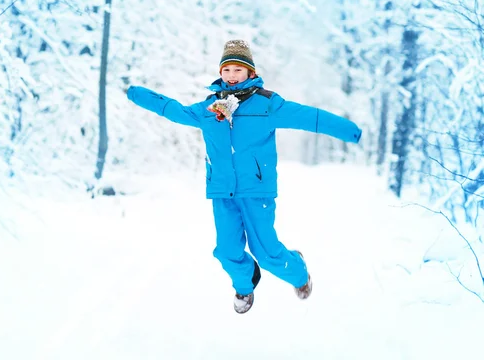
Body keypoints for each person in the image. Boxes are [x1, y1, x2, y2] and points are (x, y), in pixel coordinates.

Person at [126, 39, 362, 314]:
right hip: (222, 192)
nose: (231, 75)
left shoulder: (267, 104)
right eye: (227, 70)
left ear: (251, 72)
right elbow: (174, 110)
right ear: (220, 72)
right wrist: (137, 94)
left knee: (267, 253)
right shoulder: (209, 108)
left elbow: (311, 118)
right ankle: (245, 284)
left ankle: (298, 273)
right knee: (226, 251)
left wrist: (350, 131)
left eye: (238, 70)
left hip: (256, 191)